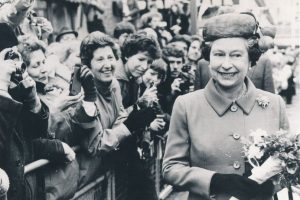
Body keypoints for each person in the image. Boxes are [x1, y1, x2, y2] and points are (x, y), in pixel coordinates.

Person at [162, 13, 290, 200]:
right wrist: (216, 181)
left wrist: (270, 186)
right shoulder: (187, 105)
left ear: (251, 61)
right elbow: (171, 168)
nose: (226, 64)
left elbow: (288, 162)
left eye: (236, 55)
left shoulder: (274, 104)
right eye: (219, 55)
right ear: (208, 59)